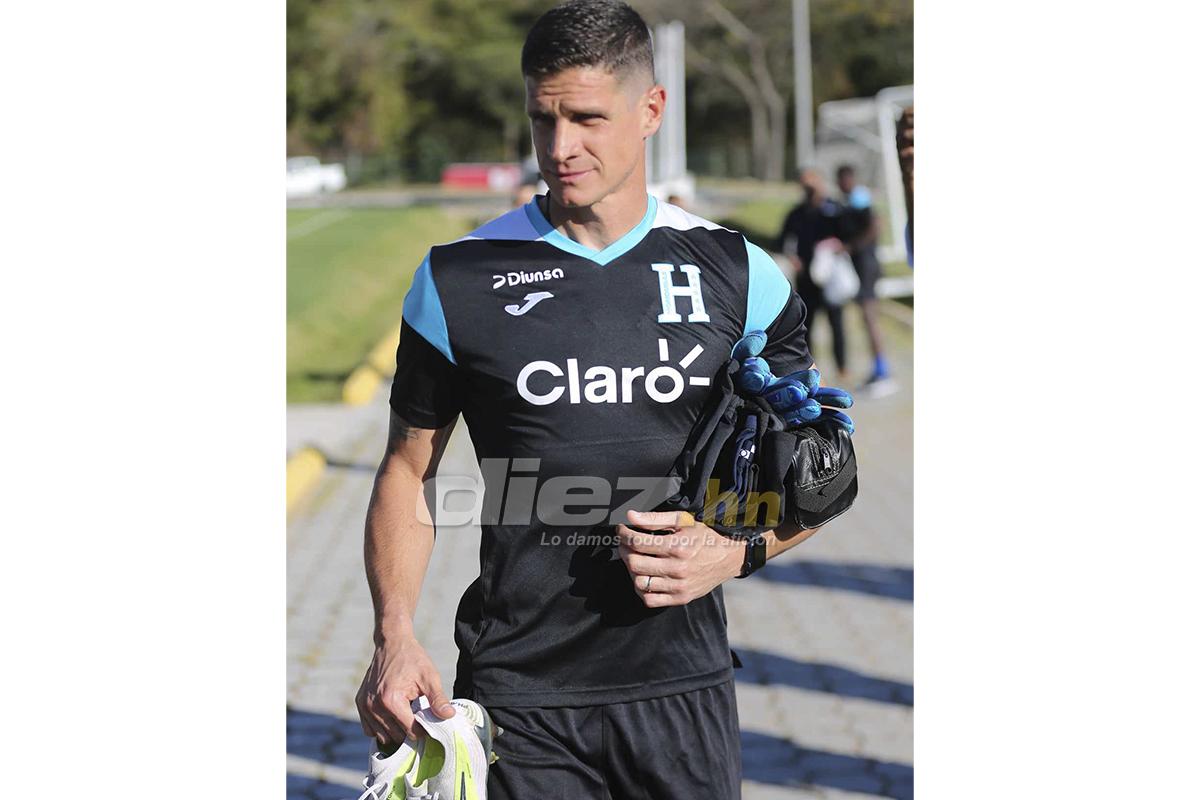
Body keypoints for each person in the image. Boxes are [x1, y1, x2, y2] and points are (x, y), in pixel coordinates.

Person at [357, 2, 836, 797]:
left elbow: (825, 472)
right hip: (519, 693)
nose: (559, 147)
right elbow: (410, 470)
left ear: (651, 110)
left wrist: (736, 552)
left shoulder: (738, 274)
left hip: (682, 690)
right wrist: (393, 635)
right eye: (542, 119)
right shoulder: (456, 279)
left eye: (586, 118)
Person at [778, 168, 848, 382]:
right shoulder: (797, 213)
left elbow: (846, 233)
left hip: (830, 277)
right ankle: (810, 369)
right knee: (807, 325)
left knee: (836, 323)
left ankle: (842, 367)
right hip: (806, 278)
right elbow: (781, 240)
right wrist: (792, 258)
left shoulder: (833, 209)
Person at [835, 164, 896, 397]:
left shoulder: (860, 201)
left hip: (867, 267)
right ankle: (877, 368)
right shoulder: (847, 203)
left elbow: (875, 226)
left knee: (870, 318)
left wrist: (851, 246)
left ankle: (883, 371)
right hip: (858, 267)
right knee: (866, 318)